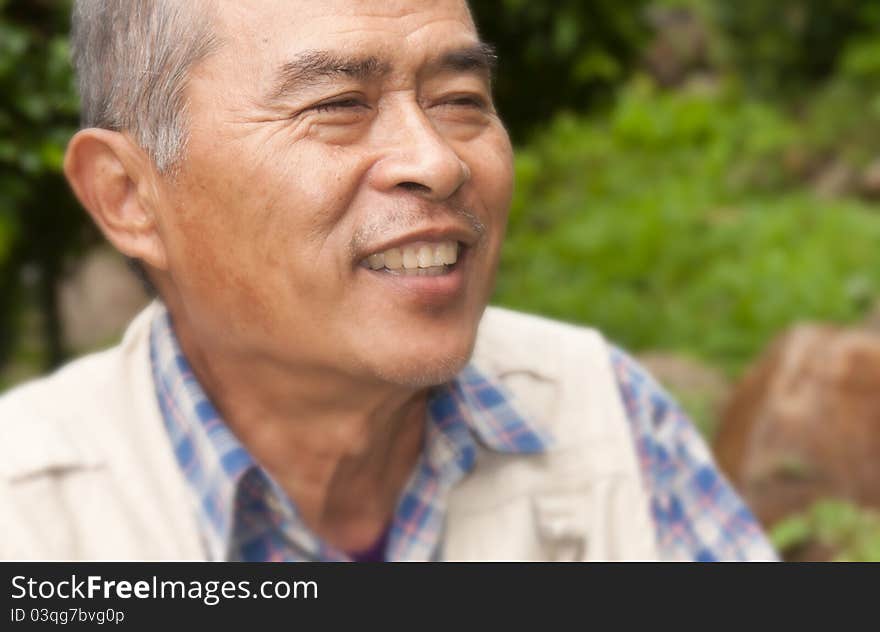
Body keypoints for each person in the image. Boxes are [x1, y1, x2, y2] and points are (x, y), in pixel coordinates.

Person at [0, 0, 776, 561]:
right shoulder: (28, 516)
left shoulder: (605, 413)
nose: (437, 162)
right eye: (338, 105)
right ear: (128, 196)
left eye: (461, 100)